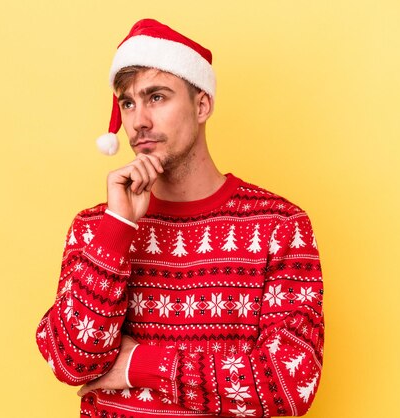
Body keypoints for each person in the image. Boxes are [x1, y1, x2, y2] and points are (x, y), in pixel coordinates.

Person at [36, 19, 324, 418]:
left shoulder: (278, 225)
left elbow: (288, 383)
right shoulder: (97, 227)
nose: (138, 122)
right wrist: (119, 230)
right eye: (128, 102)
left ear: (202, 104)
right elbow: (71, 360)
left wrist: (139, 365)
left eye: (156, 97)